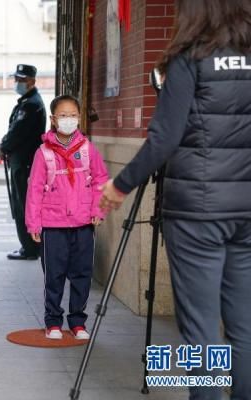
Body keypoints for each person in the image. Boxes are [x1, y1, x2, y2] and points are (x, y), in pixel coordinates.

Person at [99, 1, 251, 398]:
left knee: (200, 326)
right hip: (246, 209)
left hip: (198, 211)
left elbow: (164, 138)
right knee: (244, 326)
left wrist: (120, 185)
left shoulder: (190, 59)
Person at [26, 95, 108, 340]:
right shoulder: (43, 153)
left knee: (82, 274)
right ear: (53, 119)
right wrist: (34, 222)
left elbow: (101, 181)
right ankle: (53, 321)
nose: (68, 120)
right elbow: (35, 190)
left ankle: (77, 322)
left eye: (73, 115)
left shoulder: (87, 149)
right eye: (63, 115)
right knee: (54, 275)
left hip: (83, 223)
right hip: (53, 225)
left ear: (79, 118)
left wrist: (98, 210)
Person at [0, 64, 47, 260]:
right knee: (23, 203)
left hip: (25, 162)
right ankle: (31, 246)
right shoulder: (28, 101)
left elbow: (17, 132)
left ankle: (30, 248)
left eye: (21, 80)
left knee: (23, 205)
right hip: (23, 161)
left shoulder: (31, 105)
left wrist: (4, 146)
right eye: (16, 79)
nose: (17, 83)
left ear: (32, 82)